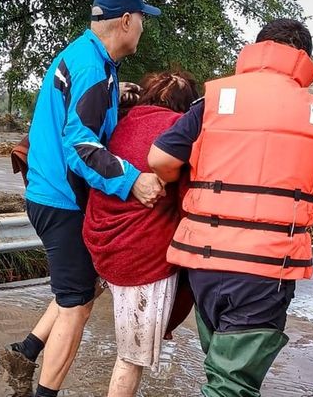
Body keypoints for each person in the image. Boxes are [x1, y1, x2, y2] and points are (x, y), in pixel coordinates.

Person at [148, 19, 313, 396]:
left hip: (204, 264)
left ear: (257, 49)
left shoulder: (214, 100)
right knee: (230, 385)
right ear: (304, 58)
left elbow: (159, 159)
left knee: (219, 371)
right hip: (267, 267)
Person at [0, 0, 164, 397]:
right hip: (63, 200)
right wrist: (133, 180)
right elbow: (80, 146)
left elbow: (82, 113)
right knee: (77, 305)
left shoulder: (92, 60)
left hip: (48, 191)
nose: (143, 27)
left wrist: (117, 95)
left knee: (79, 286)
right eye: (141, 18)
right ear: (125, 21)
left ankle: (26, 349)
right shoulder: (93, 69)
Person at [82, 71, 199, 396]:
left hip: (100, 243)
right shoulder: (179, 134)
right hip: (141, 258)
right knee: (130, 359)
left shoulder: (122, 122)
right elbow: (190, 202)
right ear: (188, 105)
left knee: (71, 310)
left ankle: (31, 352)